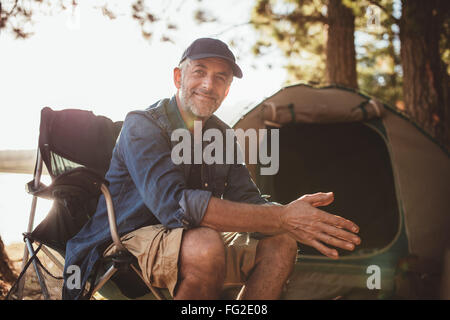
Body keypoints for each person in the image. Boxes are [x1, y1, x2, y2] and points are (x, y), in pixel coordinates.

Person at [62, 38, 361, 300]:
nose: (209, 85)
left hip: (191, 236)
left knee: (281, 243)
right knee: (206, 244)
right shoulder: (142, 124)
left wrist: (296, 219)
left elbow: (247, 198)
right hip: (127, 236)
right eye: (200, 72)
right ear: (179, 76)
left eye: (221, 78)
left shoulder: (223, 135)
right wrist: (282, 217)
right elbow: (175, 207)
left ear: (227, 90)